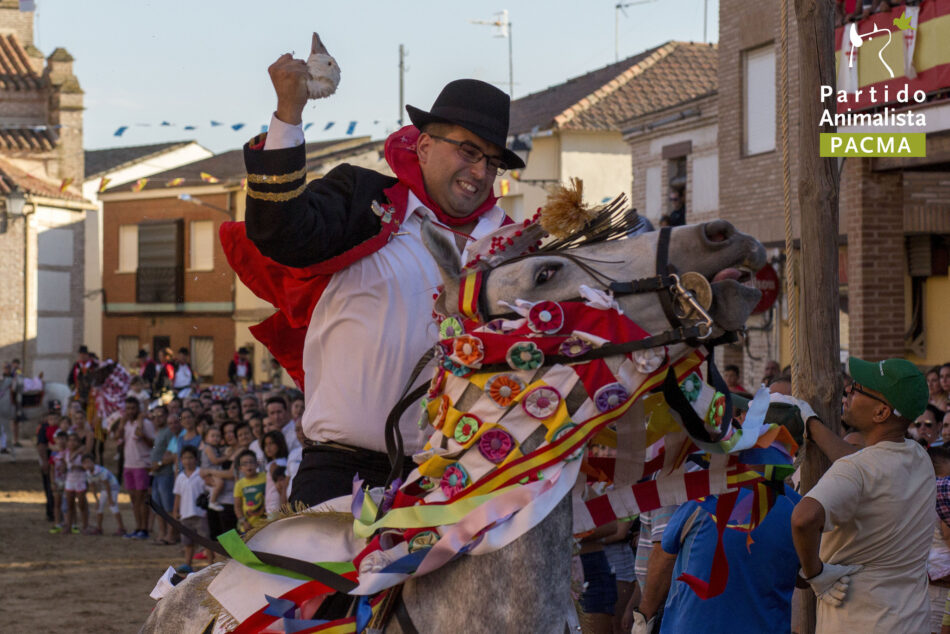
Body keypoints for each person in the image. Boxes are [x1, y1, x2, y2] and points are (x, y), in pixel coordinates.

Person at [228, 54, 523, 507]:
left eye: (492, 161)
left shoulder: (516, 246)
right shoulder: (365, 200)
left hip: (463, 482)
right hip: (341, 474)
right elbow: (281, 230)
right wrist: (289, 114)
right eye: (468, 151)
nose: (480, 173)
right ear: (423, 146)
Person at [791, 357, 934, 633]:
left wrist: (815, 573)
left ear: (881, 412)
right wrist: (812, 425)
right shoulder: (918, 457)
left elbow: (803, 518)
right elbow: (864, 465)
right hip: (911, 621)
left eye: (857, 388)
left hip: (856, 622)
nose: (847, 391)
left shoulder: (855, 470)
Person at [644, 484, 802, 633]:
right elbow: (805, 575)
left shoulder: (706, 496)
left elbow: (664, 557)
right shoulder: (797, 506)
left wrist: (643, 617)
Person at [116, 396, 155, 539]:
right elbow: (117, 438)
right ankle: (138, 527)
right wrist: (121, 422)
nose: (130, 411)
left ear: (138, 408)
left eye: (133, 408)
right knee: (133, 499)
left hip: (141, 464)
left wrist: (142, 435)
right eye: (128, 408)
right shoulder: (127, 423)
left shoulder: (146, 423)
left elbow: (153, 443)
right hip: (129, 464)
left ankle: (144, 529)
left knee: (141, 498)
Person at [173, 445, 208, 573]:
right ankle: (188, 563)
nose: (188, 461)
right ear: (181, 460)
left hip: (200, 513)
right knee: (187, 541)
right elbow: (178, 496)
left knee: (206, 540)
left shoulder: (201, 474)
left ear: (196, 459)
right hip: (185, 513)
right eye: (185, 458)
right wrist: (175, 511)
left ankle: (210, 564)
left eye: (190, 457)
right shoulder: (180, 477)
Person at [148, 405, 177, 544]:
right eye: (155, 415)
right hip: (157, 474)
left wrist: (159, 463)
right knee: (158, 506)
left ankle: (170, 535)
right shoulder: (159, 431)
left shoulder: (169, 432)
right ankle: (162, 533)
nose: (157, 418)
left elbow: (173, 454)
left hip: (166, 473)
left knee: (168, 507)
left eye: (161, 415)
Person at [82, 454, 126, 536]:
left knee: (113, 506)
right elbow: (92, 487)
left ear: (93, 462)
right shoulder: (88, 473)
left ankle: (121, 528)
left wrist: (110, 499)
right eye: (85, 463)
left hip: (112, 487)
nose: (87, 464)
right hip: (104, 489)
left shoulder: (100, 471)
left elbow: (107, 485)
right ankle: (99, 528)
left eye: (89, 462)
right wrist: (96, 500)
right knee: (99, 507)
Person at [62, 432, 89, 534]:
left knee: (82, 504)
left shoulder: (82, 453)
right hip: (70, 480)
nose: (72, 443)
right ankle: (69, 525)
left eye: (74, 440)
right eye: (70, 440)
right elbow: (65, 465)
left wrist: (78, 467)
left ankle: (85, 526)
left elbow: (87, 466)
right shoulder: (66, 453)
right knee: (70, 504)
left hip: (80, 480)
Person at [233, 449, 267, 532]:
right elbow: (237, 506)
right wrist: (243, 522)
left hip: (266, 524)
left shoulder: (266, 477)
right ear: (240, 468)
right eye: (244, 463)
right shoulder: (239, 484)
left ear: (257, 464)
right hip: (248, 526)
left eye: (251, 462)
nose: (248, 466)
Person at [261, 430, 289, 519]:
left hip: (275, 506)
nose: (268, 447)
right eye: (265, 445)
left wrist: (283, 506)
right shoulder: (280, 462)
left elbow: (280, 486)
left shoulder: (276, 464)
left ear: (279, 444)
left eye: (271, 443)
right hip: (274, 506)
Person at [48, 430, 68, 534]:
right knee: (57, 503)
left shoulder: (69, 453)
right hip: (57, 480)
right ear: (56, 440)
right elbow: (51, 469)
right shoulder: (54, 454)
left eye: (63, 439)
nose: (61, 441)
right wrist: (52, 482)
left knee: (67, 503)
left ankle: (67, 523)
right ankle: (57, 523)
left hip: (68, 481)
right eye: (59, 439)